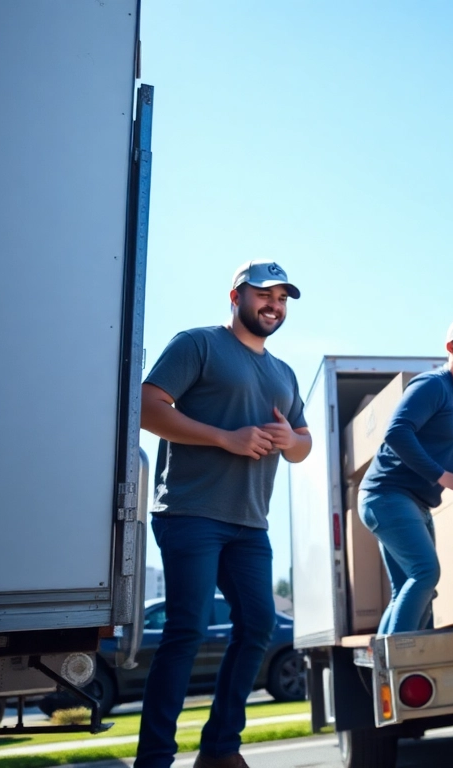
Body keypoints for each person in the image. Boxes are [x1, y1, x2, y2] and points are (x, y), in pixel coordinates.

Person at [136, 261, 312, 768]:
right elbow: (147, 406)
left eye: (282, 299)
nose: (274, 306)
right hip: (190, 511)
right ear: (236, 296)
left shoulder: (283, 372)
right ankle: (154, 759)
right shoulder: (199, 345)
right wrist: (224, 437)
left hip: (251, 522)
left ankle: (218, 749)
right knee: (186, 630)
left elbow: (304, 443)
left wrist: (290, 440)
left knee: (258, 624)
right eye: (265, 295)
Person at [358, 314, 453, 634]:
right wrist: (445, 477)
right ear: (452, 347)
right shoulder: (432, 384)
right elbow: (397, 433)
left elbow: (444, 452)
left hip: (415, 502)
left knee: (415, 591)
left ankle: (384, 670)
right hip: (387, 496)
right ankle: (403, 661)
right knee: (425, 574)